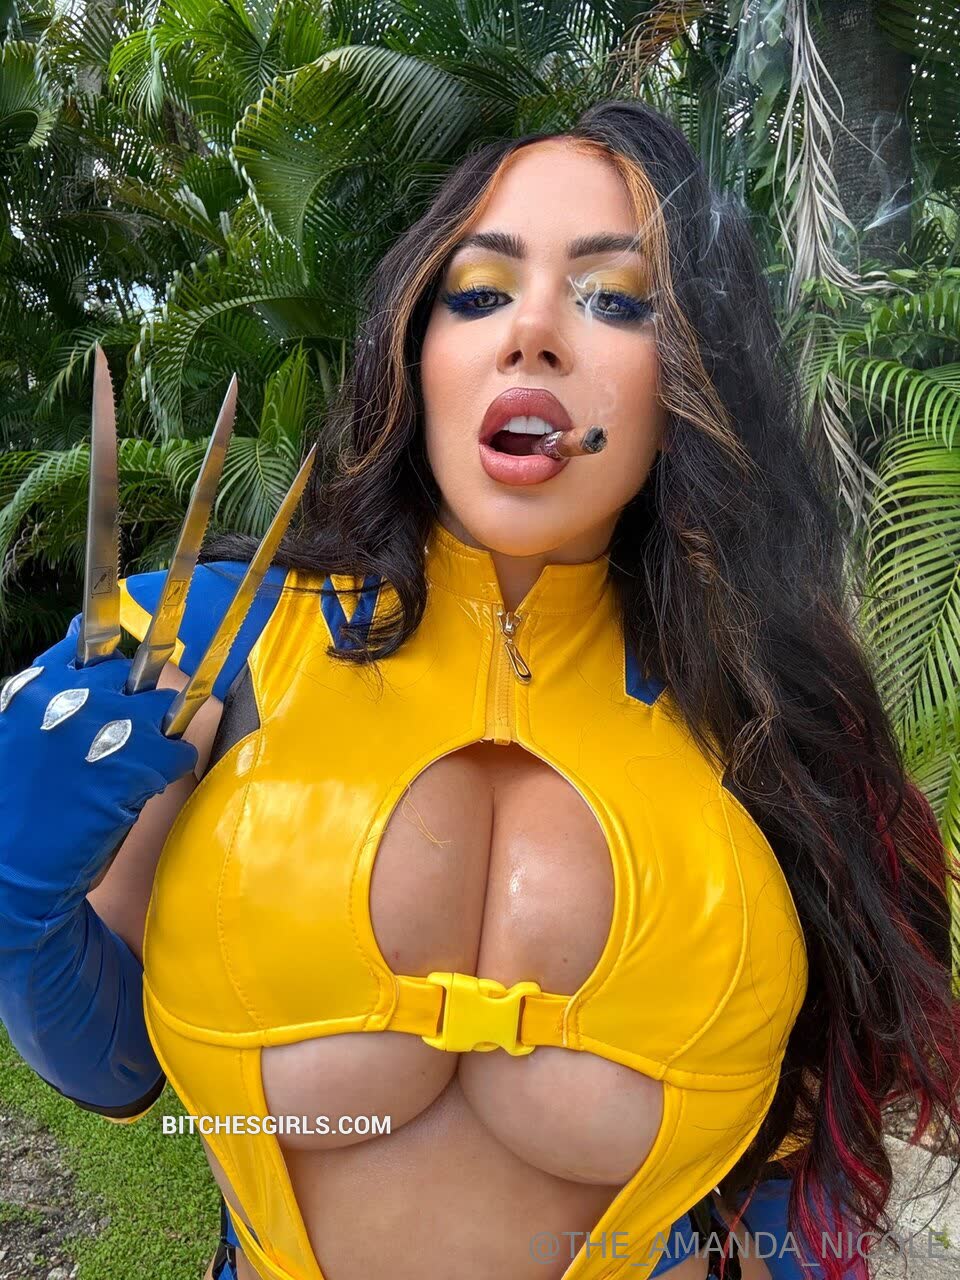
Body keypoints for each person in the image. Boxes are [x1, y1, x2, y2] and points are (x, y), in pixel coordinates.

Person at [1, 99, 958, 1280]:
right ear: (418, 350)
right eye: (480, 291)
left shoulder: (768, 707)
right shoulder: (208, 639)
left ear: (688, 383)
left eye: (616, 300)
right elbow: (115, 1066)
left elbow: (797, 1158)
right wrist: (17, 903)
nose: (534, 333)